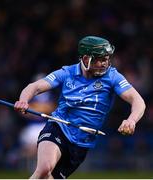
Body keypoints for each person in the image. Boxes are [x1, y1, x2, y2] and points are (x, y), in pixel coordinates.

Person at [14, 36, 146, 179]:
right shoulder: (67, 73)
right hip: (59, 127)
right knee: (44, 169)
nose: (104, 64)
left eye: (106, 59)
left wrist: (131, 120)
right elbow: (35, 87)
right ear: (85, 59)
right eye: (100, 59)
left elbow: (137, 101)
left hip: (82, 143)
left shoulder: (113, 77)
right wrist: (23, 101)